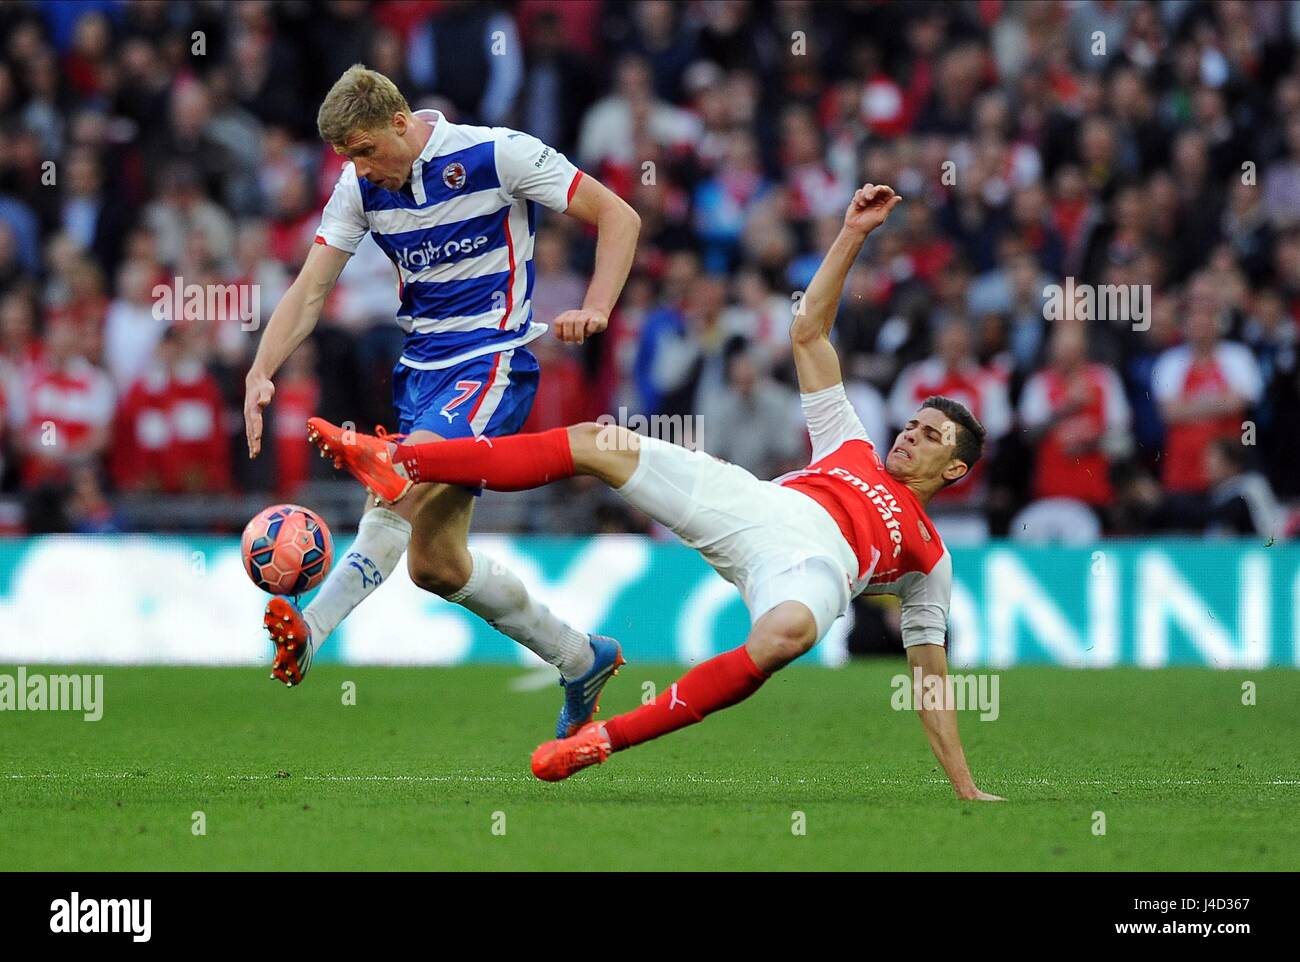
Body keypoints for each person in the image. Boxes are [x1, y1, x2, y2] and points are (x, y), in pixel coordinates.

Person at [309, 184, 1002, 801]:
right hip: (762, 506)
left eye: (932, 436)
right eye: (913, 423)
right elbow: (808, 331)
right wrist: (853, 235)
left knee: (787, 636)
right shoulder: (851, 442)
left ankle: (601, 740)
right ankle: (402, 459)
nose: (910, 435)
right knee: (599, 441)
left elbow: (931, 676)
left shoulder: (929, 559)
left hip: (815, 568)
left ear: (954, 471)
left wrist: (965, 786)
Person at [243, 65, 641, 742]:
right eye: (348, 158)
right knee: (436, 564)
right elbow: (311, 290)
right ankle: (581, 658)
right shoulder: (359, 187)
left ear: (401, 124)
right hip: (421, 373)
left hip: (492, 359)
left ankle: (311, 629)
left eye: (365, 150)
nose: (360, 168)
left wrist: (597, 306)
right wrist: (260, 369)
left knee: (404, 477)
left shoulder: (497, 153)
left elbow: (618, 215)